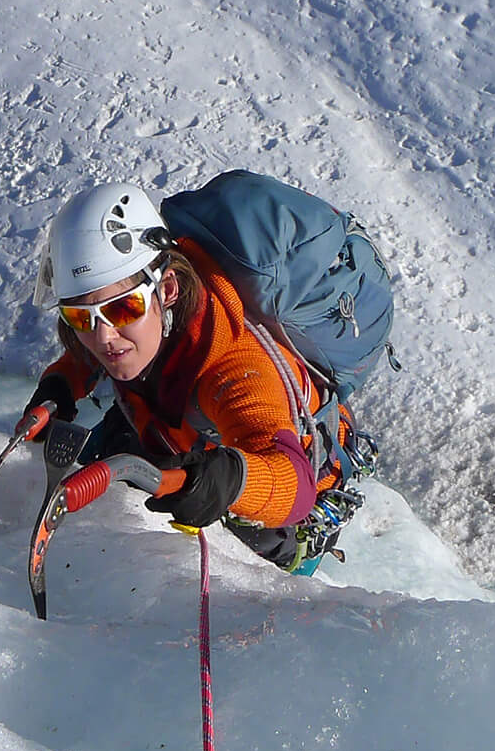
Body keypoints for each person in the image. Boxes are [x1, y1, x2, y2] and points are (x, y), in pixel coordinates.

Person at [23, 182, 361, 571]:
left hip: (280, 497)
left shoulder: (235, 368)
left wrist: (230, 481)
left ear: (165, 289)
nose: (103, 337)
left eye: (122, 309)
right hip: (179, 428)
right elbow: (87, 352)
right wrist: (60, 385)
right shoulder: (138, 321)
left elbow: (293, 486)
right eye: (81, 317)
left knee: (254, 535)